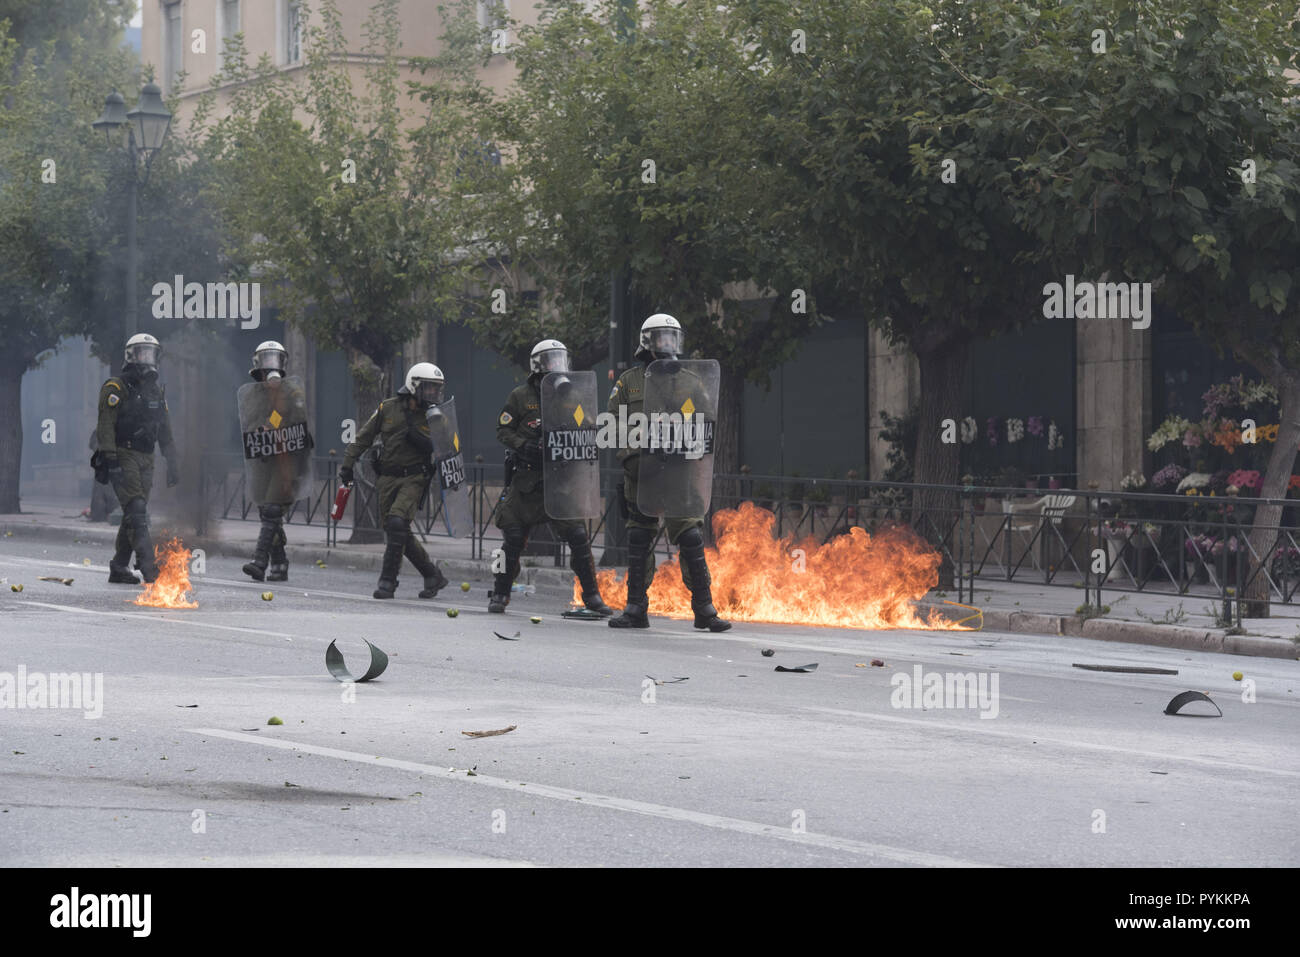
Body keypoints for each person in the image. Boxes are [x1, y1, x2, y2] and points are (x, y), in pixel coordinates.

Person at [607, 314, 731, 632]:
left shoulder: (690, 381)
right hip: (642, 474)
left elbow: (706, 423)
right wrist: (638, 453)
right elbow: (612, 426)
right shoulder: (629, 381)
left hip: (679, 475)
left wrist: (683, 441)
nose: (669, 344)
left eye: (673, 337)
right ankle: (636, 608)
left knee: (690, 536)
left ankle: (704, 609)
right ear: (647, 342)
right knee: (639, 536)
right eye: (662, 337)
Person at [488, 339, 612, 616]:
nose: (556, 366)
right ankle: (501, 592)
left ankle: (591, 596)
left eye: (560, 360)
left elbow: (587, 429)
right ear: (537, 365)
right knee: (512, 539)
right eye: (549, 361)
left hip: (560, 484)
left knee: (579, 536)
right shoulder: (520, 396)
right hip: (526, 482)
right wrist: (524, 444)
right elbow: (502, 430)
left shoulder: (572, 396)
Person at [340, 363, 450, 600]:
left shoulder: (436, 416)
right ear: (414, 386)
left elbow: (447, 448)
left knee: (398, 523)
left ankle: (387, 581)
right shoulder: (387, 408)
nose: (433, 393)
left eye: (436, 389)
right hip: (387, 478)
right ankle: (432, 574)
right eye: (428, 388)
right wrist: (348, 465)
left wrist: (427, 442)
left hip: (415, 477)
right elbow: (363, 438)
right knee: (395, 529)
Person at [94, 333, 179, 584]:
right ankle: (148, 565)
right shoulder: (116, 388)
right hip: (124, 454)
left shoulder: (155, 392)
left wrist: (172, 461)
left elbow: (165, 430)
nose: (147, 358)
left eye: (151, 353)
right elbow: (105, 426)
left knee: (134, 513)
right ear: (131, 356)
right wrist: (111, 459)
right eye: (142, 353)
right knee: (137, 509)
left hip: (146, 458)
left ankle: (119, 566)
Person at [241, 340, 311, 582]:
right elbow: (248, 425)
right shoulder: (251, 395)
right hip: (263, 461)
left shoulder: (292, 392)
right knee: (267, 512)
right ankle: (280, 564)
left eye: (276, 359)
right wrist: (259, 433)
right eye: (267, 359)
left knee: (272, 509)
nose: (272, 364)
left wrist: (274, 417)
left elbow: (297, 418)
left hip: (286, 459)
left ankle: (260, 561)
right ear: (257, 364)